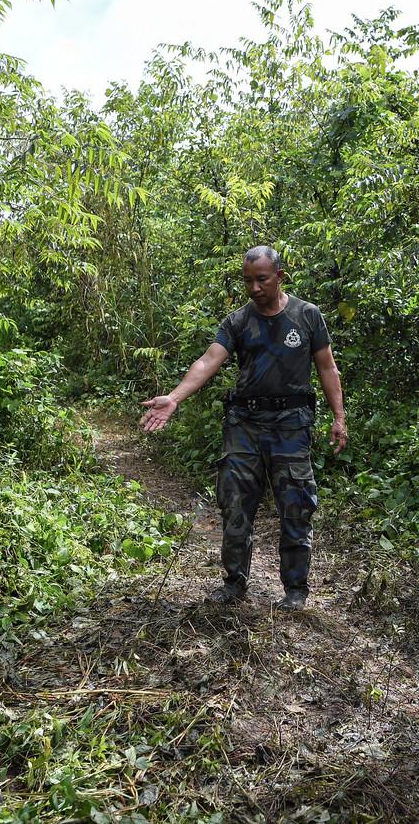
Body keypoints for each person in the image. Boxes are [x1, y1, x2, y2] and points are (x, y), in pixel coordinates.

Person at [139, 245, 347, 611]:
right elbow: (208, 361)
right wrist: (174, 397)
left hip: (291, 425)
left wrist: (339, 417)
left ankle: (296, 589)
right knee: (235, 503)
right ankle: (235, 581)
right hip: (244, 424)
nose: (253, 288)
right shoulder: (237, 322)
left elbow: (327, 368)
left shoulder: (307, 316)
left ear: (280, 277)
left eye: (261, 280)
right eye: (247, 281)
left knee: (295, 504)